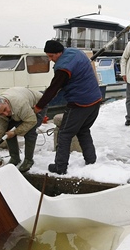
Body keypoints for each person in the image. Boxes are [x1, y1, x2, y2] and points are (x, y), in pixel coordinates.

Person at [34, 40, 102, 175]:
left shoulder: (63, 68)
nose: (50, 59)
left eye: (52, 56)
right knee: (83, 130)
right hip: (95, 99)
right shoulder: (75, 52)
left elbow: (53, 88)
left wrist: (39, 106)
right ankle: (91, 160)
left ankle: (60, 167)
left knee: (64, 134)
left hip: (80, 103)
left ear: (59, 53)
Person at [0, 87, 47, 173]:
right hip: (22, 107)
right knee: (8, 131)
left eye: (5, 110)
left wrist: (15, 132)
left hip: (38, 104)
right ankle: (15, 158)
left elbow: (31, 121)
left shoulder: (19, 105)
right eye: (1, 113)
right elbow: (1, 124)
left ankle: (28, 160)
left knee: (30, 132)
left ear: (6, 102)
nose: (5, 114)